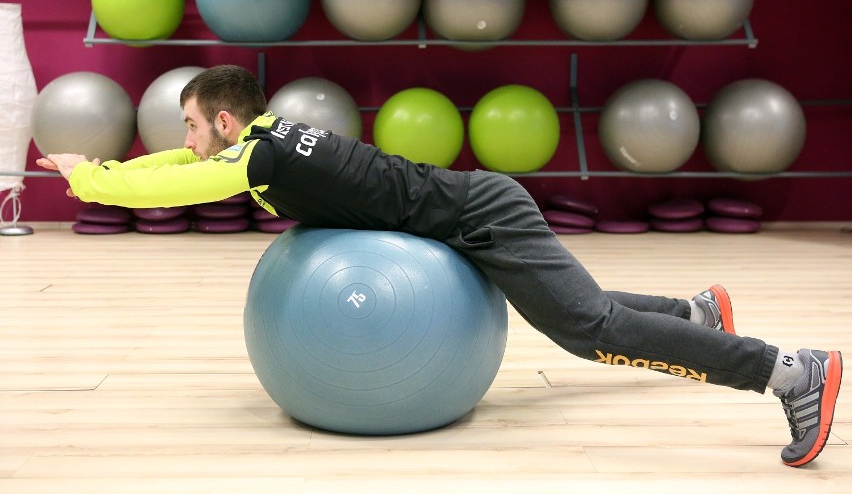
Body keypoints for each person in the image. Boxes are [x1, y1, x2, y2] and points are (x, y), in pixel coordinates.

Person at [37, 64, 842, 467]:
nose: (186, 141)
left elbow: (177, 189)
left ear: (222, 120)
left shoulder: (259, 163)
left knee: (584, 330)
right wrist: (97, 168)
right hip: (464, 213)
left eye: (189, 126)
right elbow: (176, 172)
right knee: (581, 308)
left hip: (477, 215)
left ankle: (788, 371)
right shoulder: (273, 138)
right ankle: (696, 313)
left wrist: (86, 180)